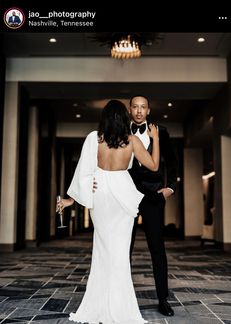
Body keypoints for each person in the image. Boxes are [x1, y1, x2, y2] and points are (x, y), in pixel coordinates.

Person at [56, 99, 160, 324]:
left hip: (101, 193)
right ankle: (122, 308)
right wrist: (156, 140)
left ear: (104, 118)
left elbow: (83, 170)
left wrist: (70, 200)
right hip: (122, 193)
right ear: (125, 117)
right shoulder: (132, 140)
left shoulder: (95, 138)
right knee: (120, 253)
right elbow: (153, 165)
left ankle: (99, 305)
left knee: (103, 250)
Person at [128, 95, 178, 317]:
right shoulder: (121, 131)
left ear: (148, 110)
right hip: (127, 195)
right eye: (135, 107)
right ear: (130, 109)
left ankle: (162, 299)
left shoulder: (161, 131)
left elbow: (173, 162)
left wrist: (171, 187)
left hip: (153, 197)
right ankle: (124, 299)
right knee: (123, 248)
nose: (139, 111)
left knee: (157, 249)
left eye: (143, 107)